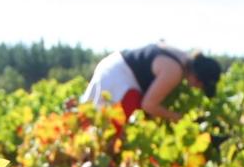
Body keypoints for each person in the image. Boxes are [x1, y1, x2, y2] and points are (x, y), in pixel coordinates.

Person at [80, 44, 222, 121]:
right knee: (107, 128)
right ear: (197, 78)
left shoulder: (181, 57)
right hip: (118, 78)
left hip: (112, 65)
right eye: (200, 86)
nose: (197, 88)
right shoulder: (174, 71)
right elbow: (148, 105)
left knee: (94, 121)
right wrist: (177, 117)